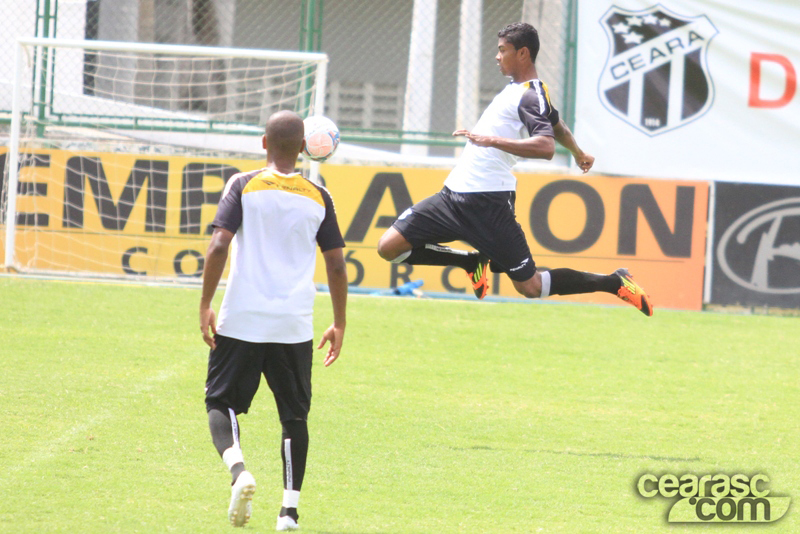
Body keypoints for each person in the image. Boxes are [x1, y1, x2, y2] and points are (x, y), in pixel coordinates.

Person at [377, 22, 652, 315]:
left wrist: (490, 139)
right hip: (452, 195)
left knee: (530, 286)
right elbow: (555, 125)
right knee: (389, 247)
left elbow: (545, 146)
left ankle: (614, 282)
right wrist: (578, 152)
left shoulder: (530, 94)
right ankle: (471, 262)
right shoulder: (522, 91)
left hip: (488, 203)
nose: (497, 56)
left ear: (522, 53)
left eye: (502, 50)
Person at [199, 110, 348, 530]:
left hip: (243, 317)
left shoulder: (243, 185)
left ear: (264, 143)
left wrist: (205, 304)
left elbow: (218, 246)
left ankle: (239, 472)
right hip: (294, 324)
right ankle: (289, 511)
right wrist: (339, 323)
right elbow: (336, 265)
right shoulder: (320, 195)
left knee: (220, 402)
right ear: (303, 148)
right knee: (294, 417)